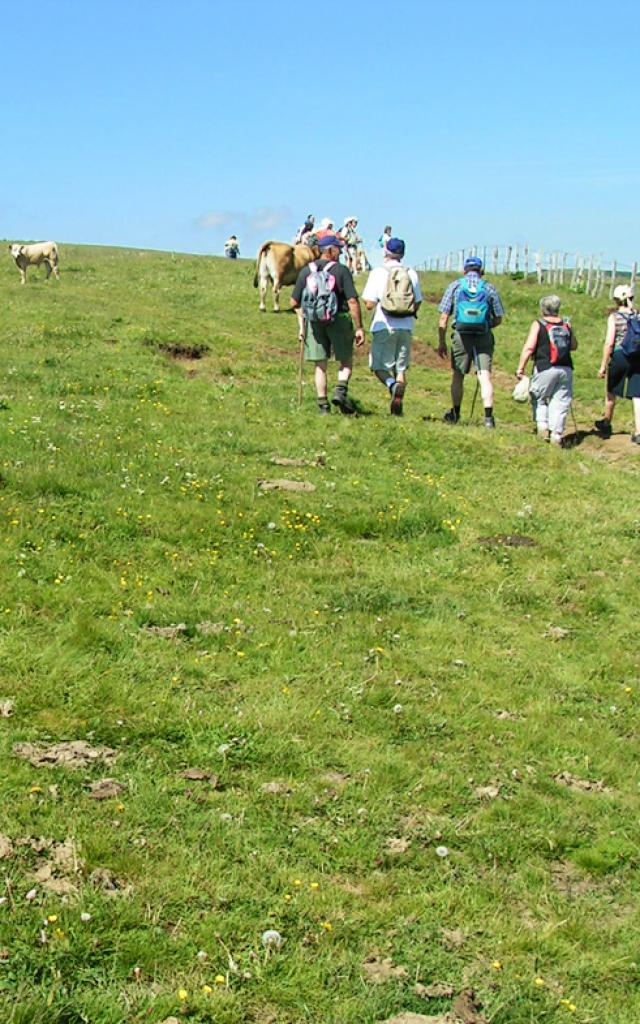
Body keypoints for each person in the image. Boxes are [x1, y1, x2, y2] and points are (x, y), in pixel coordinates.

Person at [291, 235, 365, 414]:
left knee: (320, 365)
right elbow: (353, 301)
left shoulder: (306, 271)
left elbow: (294, 302)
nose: (340, 251)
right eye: (338, 248)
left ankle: (323, 406)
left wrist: (302, 323)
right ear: (330, 250)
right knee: (346, 360)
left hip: (314, 322)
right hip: (339, 318)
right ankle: (340, 389)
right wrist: (359, 327)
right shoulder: (341, 270)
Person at [437, 256, 504, 428]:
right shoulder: (489, 288)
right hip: (483, 334)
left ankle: (456, 413)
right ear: (481, 271)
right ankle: (488, 418)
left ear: (464, 270)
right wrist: (486, 326)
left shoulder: (456, 286)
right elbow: (498, 318)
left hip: (461, 334)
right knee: (484, 376)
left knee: (458, 375)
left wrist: (442, 342)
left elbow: (443, 318)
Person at [362, 238, 422, 415]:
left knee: (378, 366)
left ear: (385, 252)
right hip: (406, 326)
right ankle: (398, 404)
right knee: (400, 367)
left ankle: (392, 385)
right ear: (402, 254)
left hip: (384, 325)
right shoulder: (411, 273)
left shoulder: (378, 272)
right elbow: (417, 302)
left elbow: (369, 304)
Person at [516, 295, 577, 446]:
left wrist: (521, 368)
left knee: (539, 397)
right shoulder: (566, 325)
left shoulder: (539, 324)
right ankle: (556, 435)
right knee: (561, 402)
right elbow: (574, 346)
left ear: (543, 308)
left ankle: (542, 427)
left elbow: (529, 347)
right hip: (565, 368)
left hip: (544, 367)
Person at [595, 284, 640, 444]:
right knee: (637, 395)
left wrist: (603, 365)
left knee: (612, 389)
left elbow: (609, 343)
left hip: (620, 355)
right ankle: (639, 430)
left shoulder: (614, 317)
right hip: (637, 357)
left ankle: (606, 422)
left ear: (616, 300)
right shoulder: (638, 315)